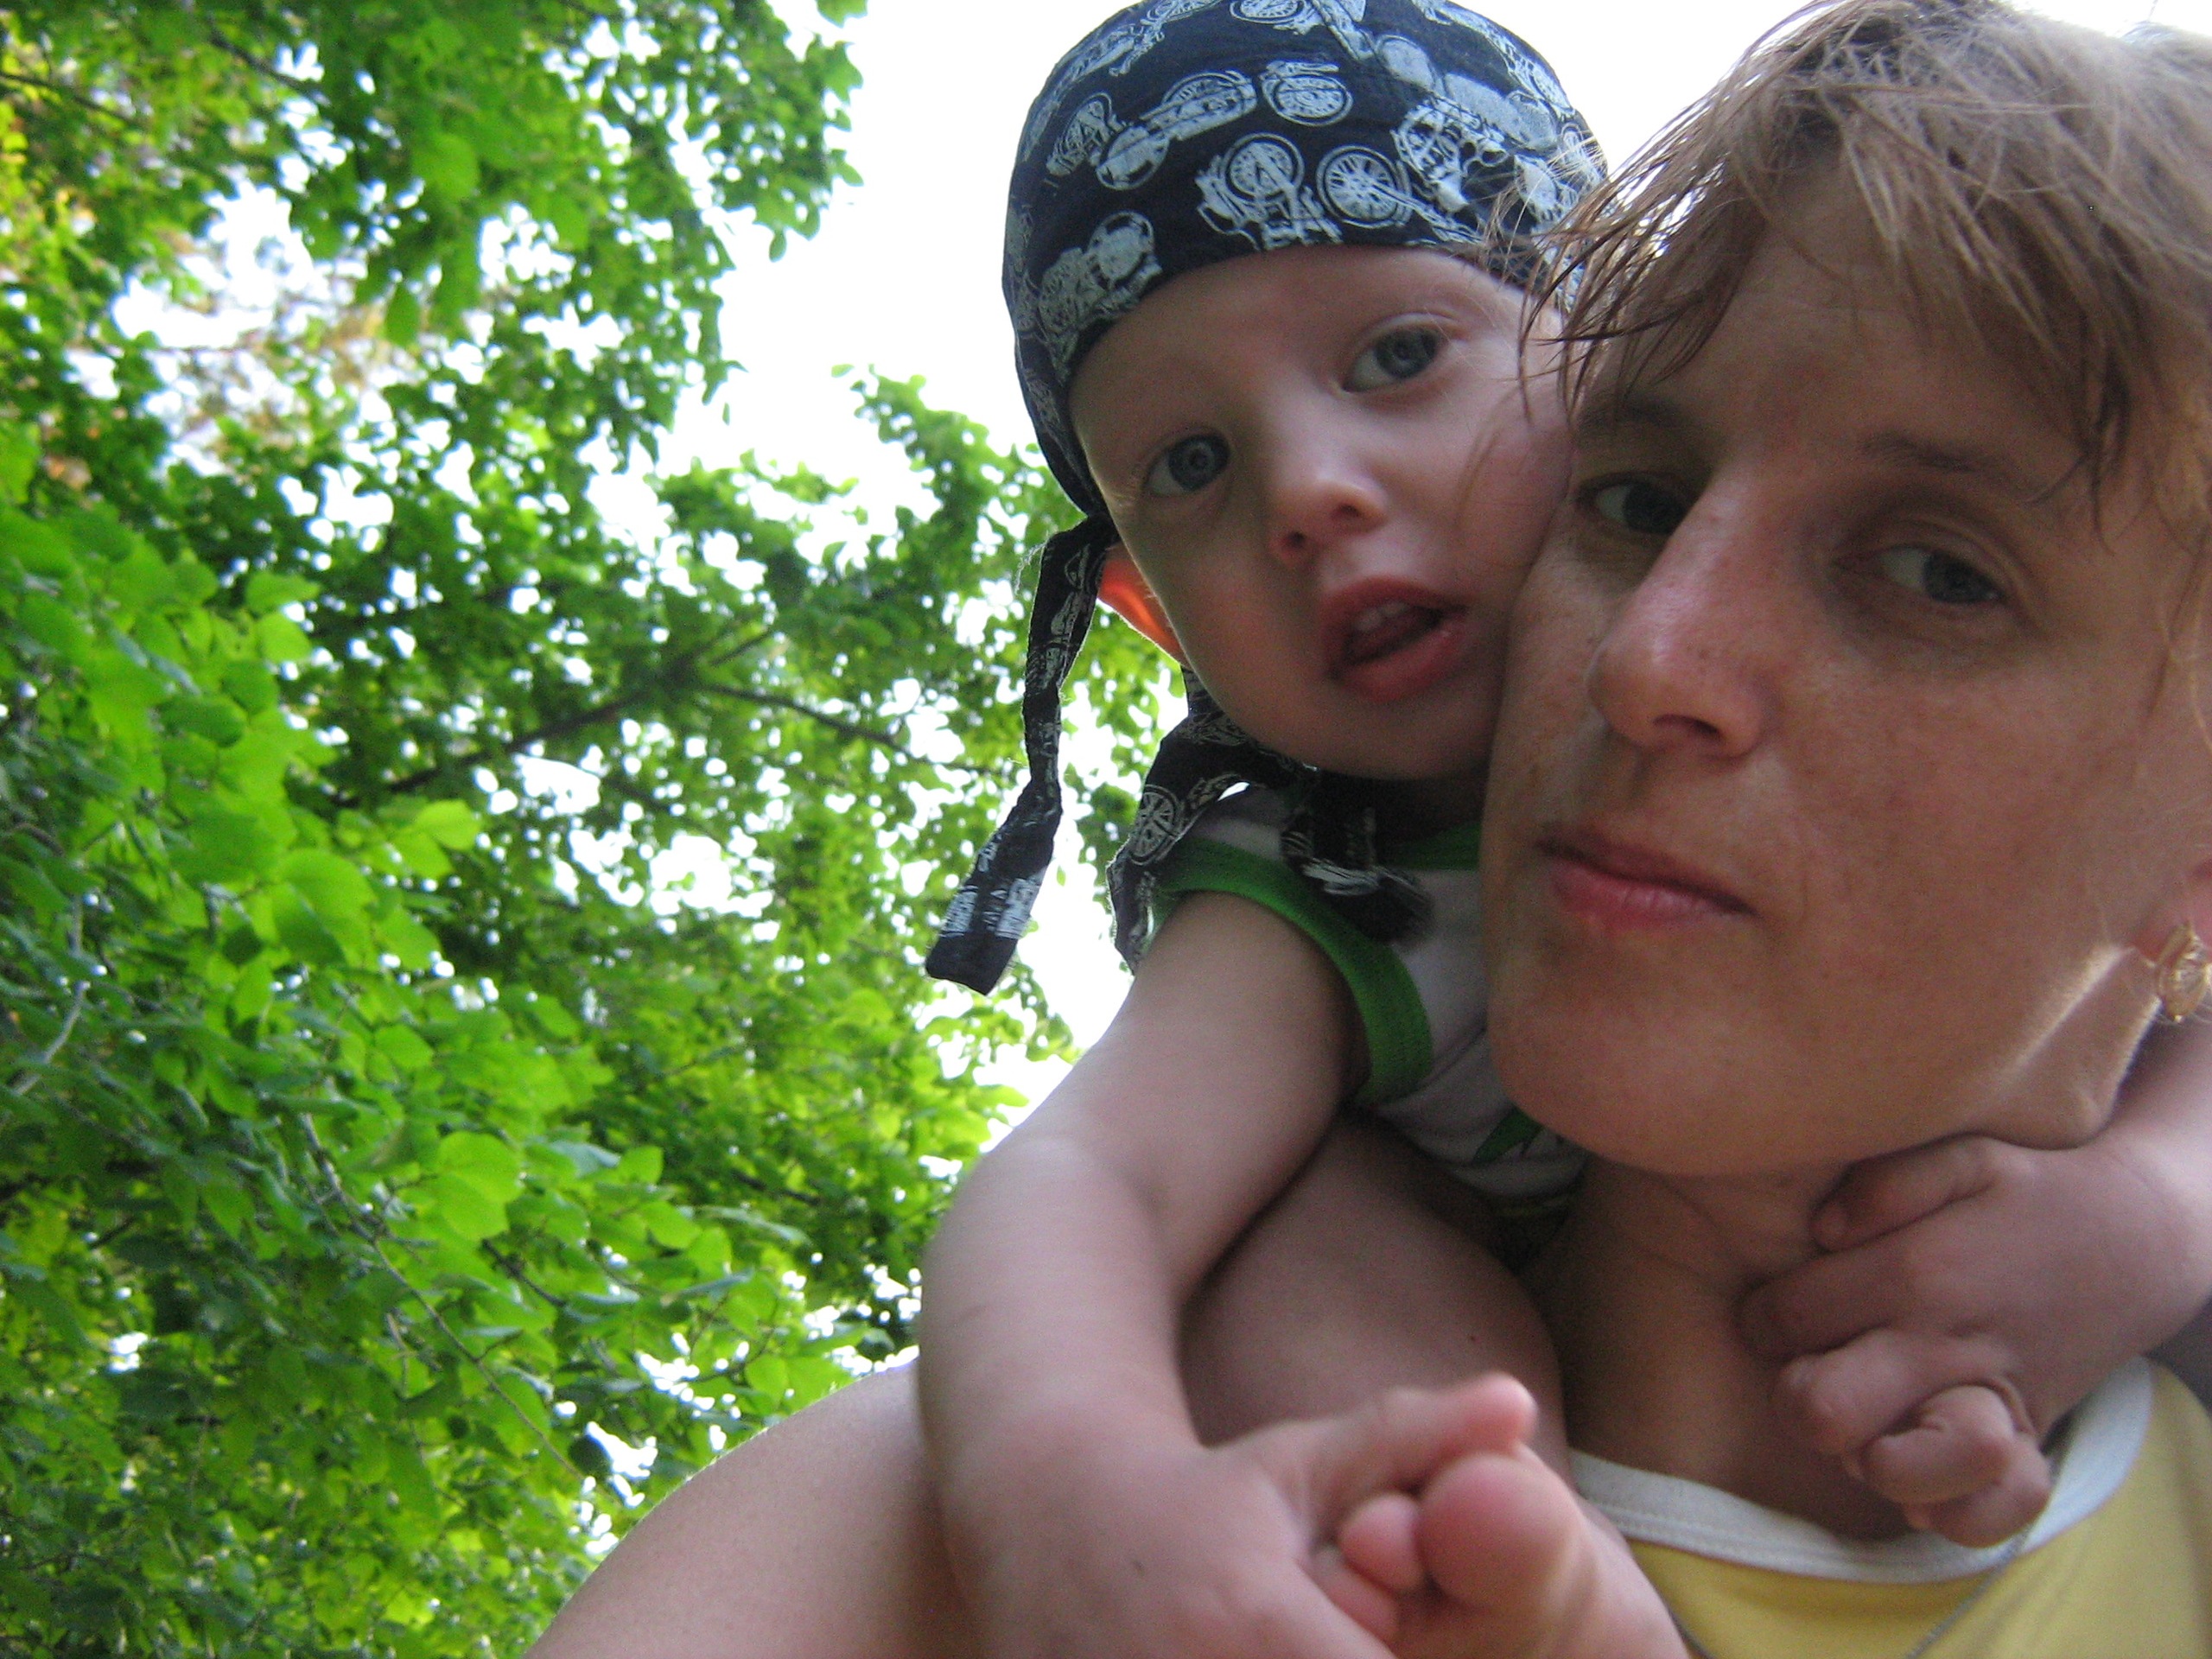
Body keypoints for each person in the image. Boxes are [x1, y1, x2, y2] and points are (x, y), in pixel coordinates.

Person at [531, 3, 2212, 1656]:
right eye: (1641, 502)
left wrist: (2151, 1208)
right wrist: (1070, 1505)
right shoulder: (971, 1530)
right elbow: (1093, 1179)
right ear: (1146, 611)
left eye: (1935, 572)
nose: (1310, 492)